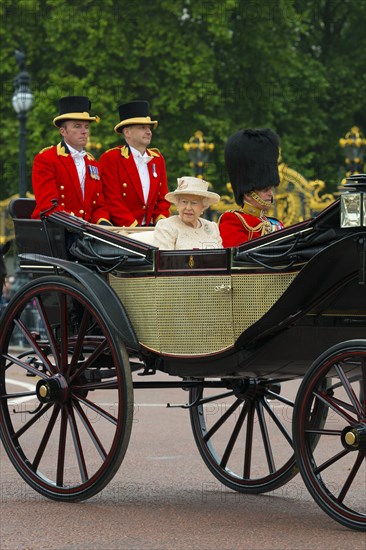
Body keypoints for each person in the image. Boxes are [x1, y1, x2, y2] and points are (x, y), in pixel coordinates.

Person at [32, 96, 111, 225]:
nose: (84, 131)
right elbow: (48, 206)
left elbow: (99, 205)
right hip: (55, 231)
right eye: (77, 126)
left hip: (87, 233)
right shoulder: (46, 159)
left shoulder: (93, 163)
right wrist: (78, 226)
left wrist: (103, 224)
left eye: (86, 126)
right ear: (63, 131)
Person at [99, 100, 170, 227]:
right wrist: (133, 227)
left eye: (149, 128)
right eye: (142, 128)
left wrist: (160, 223)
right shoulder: (111, 158)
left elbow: (163, 198)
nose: (149, 132)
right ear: (127, 132)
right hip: (122, 230)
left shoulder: (157, 159)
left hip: (150, 230)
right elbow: (112, 199)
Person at [218, 128, 284, 248]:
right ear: (248, 193)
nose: (270, 194)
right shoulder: (233, 221)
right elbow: (240, 255)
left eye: (270, 189)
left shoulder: (276, 223)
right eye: (265, 190)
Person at [153, 177, 222, 250]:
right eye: (184, 202)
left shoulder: (212, 227)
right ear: (177, 204)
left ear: (203, 206)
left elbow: (221, 258)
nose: (188, 208)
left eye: (194, 203)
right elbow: (164, 259)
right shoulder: (166, 226)